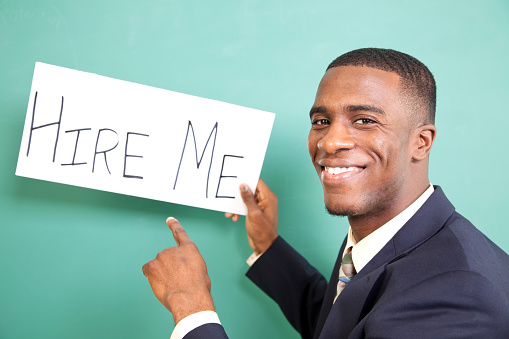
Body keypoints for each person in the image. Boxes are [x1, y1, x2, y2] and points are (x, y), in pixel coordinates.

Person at [142, 48, 509, 338]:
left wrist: (191, 308)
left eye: (364, 120)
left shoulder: (456, 294)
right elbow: (344, 322)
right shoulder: (385, 235)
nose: (331, 141)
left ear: (421, 142)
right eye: (321, 121)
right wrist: (268, 245)